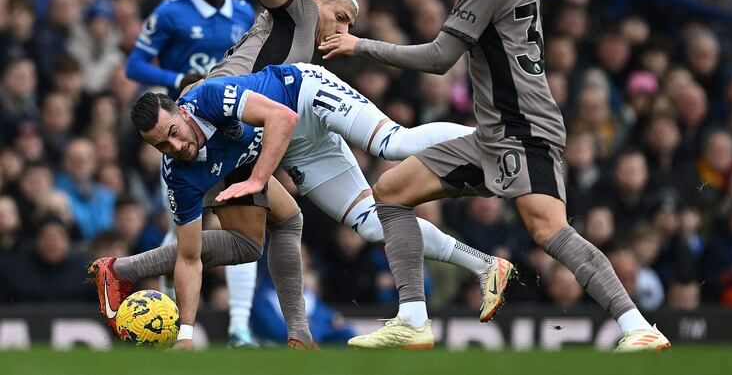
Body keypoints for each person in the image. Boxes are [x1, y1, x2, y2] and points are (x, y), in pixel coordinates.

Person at [319, 0, 670, 351]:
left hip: (523, 129)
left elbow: (441, 59)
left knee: (550, 229)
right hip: (495, 132)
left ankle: (637, 326)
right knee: (392, 190)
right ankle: (413, 319)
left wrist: (361, 45)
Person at [93, 57, 509, 349]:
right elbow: (188, 256)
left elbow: (282, 118)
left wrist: (257, 178)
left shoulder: (207, 98)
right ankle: (485, 265)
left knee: (392, 143)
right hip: (298, 150)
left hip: (304, 95)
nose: (175, 145)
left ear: (181, 111)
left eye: (173, 131)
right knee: (368, 223)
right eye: (160, 144)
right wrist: (185, 334)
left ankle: (497, 138)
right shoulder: (178, 175)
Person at [124, 0, 259, 347]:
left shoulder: (245, 11)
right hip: (182, 137)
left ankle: (239, 328)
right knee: (182, 233)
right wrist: (175, 79)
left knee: (243, 227)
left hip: (231, 135)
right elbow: (134, 64)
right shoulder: (171, 12)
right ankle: (163, 317)